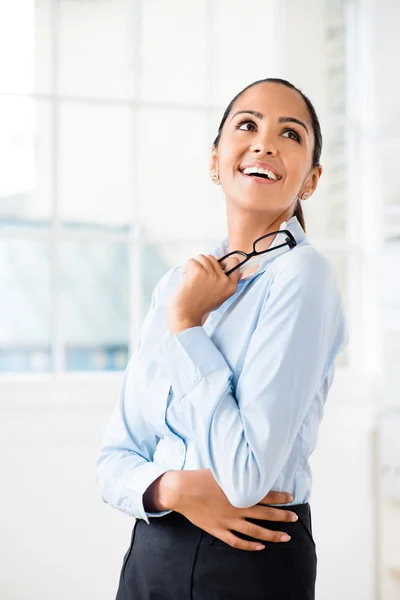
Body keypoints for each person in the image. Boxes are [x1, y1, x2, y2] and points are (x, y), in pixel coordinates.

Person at [95, 77, 348, 599]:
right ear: (216, 160)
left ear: (311, 180)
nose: (264, 143)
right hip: (152, 550)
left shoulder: (303, 277)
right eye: (248, 125)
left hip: (248, 560)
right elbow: (114, 460)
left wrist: (187, 327)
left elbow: (246, 476)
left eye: (290, 135)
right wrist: (171, 488)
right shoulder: (175, 286)